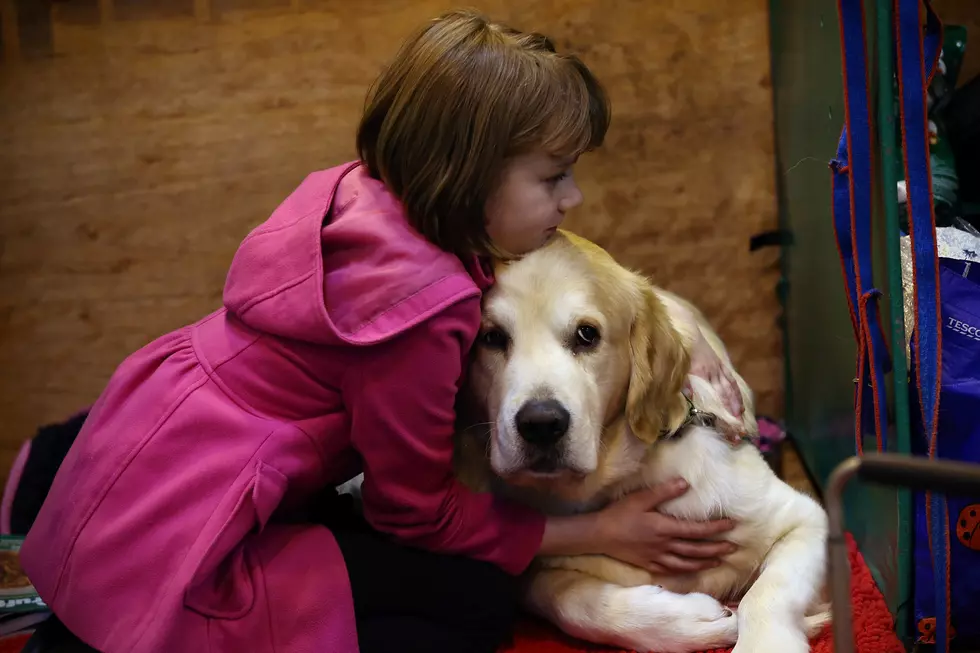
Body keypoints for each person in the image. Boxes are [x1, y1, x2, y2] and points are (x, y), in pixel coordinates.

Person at [20, 10, 743, 653]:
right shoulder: (423, 311)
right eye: (554, 177)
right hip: (192, 545)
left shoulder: (362, 193)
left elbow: (571, 271)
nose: (572, 198)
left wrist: (675, 324)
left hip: (136, 453)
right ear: (472, 181)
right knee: (474, 606)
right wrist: (594, 533)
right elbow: (416, 512)